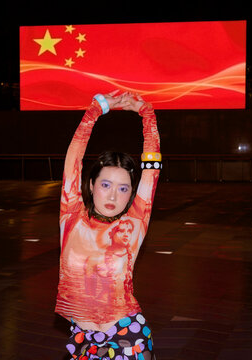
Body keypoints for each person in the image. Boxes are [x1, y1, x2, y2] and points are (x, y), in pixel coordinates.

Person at [56, 90, 161, 360]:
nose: (113, 195)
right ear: (91, 185)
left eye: (123, 188)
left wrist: (147, 115)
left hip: (127, 338)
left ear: (131, 193)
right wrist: (95, 111)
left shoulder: (135, 222)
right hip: (83, 340)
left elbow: (152, 169)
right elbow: (73, 161)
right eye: (106, 185)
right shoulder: (71, 217)